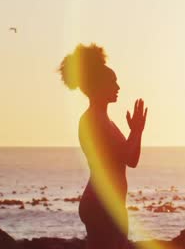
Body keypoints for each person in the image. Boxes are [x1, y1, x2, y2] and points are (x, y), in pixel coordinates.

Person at [58, 43, 148, 249]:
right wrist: (135, 131)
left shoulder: (106, 121)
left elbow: (131, 159)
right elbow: (127, 155)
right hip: (101, 204)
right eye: (113, 82)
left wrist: (137, 130)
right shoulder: (92, 121)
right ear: (98, 86)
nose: (118, 87)